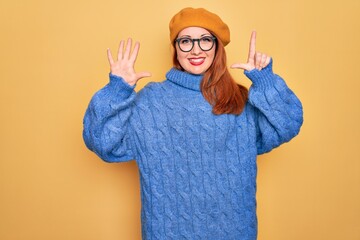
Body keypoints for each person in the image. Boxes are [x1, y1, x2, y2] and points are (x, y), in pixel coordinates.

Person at [83, 7, 303, 240]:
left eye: (205, 40)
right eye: (186, 41)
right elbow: (103, 143)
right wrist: (118, 89)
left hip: (234, 232)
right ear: (175, 48)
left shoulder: (238, 99)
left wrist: (266, 82)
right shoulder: (151, 102)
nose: (196, 49)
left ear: (217, 46)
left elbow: (287, 124)